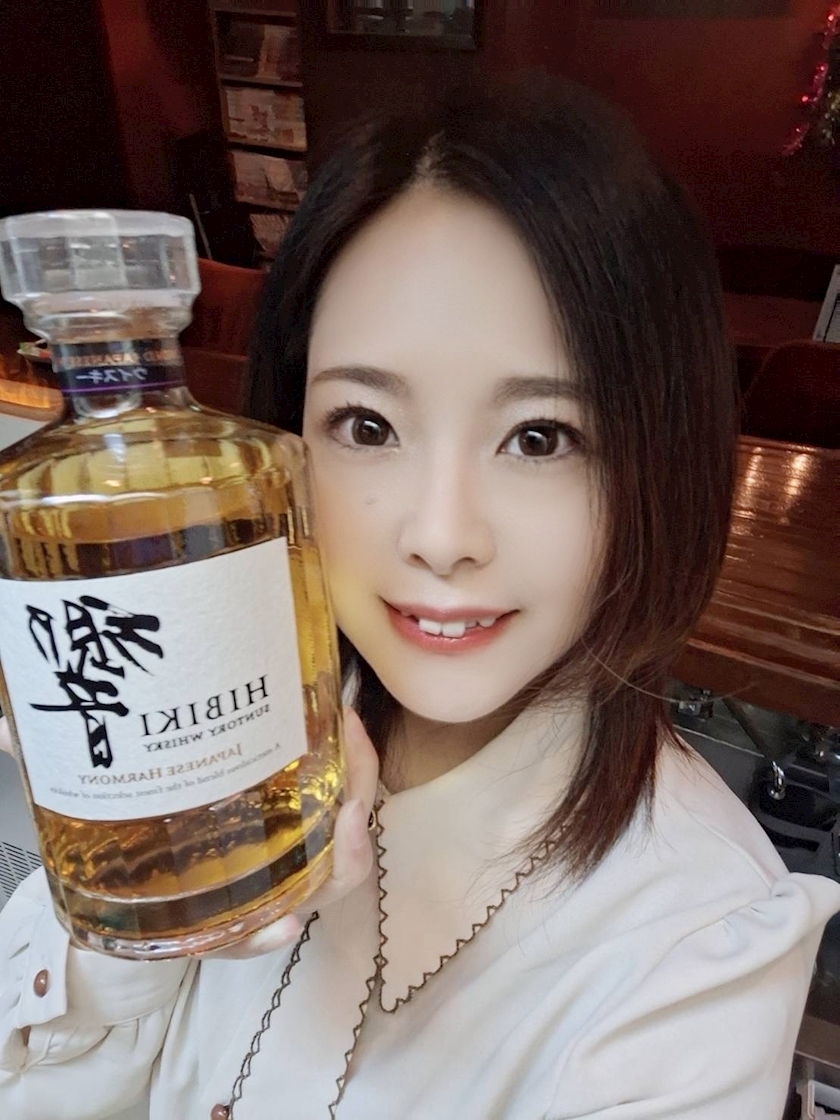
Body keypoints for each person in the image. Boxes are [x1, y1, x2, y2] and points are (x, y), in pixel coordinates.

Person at [1, 75, 838, 1120]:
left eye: (541, 437)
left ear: (661, 459)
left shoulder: (695, 962)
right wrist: (132, 937)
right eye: (366, 425)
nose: (441, 537)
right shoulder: (214, 750)